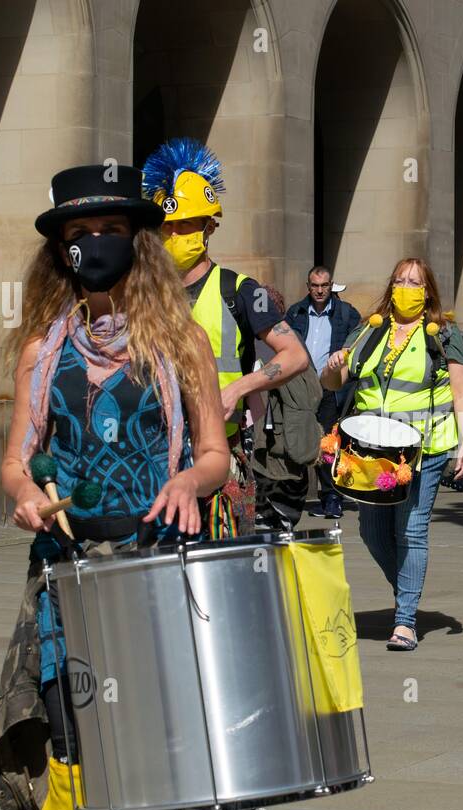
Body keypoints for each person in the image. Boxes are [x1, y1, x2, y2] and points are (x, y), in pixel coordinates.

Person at [0, 163, 246, 810]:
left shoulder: (181, 341)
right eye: (80, 233)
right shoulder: (42, 351)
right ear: (60, 250)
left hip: (157, 561)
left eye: (110, 230)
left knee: (175, 734)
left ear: (138, 242)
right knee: (75, 734)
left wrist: (192, 480)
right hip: (67, 573)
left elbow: (216, 453)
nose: (96, 243)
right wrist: (26, 495)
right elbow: (17, 459)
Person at [141, 137, 309, 528]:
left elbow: (295, 355)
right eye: (165, 228)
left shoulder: (243, 291)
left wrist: (237, 389)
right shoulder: (141, 293)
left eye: (184, 225)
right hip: (151, 461)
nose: (173, 235)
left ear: (208, 227)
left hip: (220, 462)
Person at [320, 258, 463, 651]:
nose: (406, 288)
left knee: (411, 530)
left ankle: (405, 620)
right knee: (372, 532)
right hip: (372, 450)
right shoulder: (369, 330)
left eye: (415, 282)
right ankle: (408, 592)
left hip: (424, 448)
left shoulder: (444, 332)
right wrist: (334, 366)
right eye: (400, 281)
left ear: (428, 291)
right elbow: (332, 381)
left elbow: (461, 391)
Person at [284, 266, 361, 519]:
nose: (319, 290)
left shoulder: (347, 313)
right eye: (315, 286)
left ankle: (331, 498)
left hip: (330, 388)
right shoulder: (295, 312)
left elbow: (358, 343)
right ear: (308, 286)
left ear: (331, 286)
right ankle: (293, 497)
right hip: (300, 387)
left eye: (324, 285)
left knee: (328, 444)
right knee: (298, 442)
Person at [252, 285, 325, 530]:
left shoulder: (290, 347)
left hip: (277, 452)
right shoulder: (247, 340)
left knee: (273, 529)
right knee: (266, 530)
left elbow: (312, 394)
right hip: (264, 453)